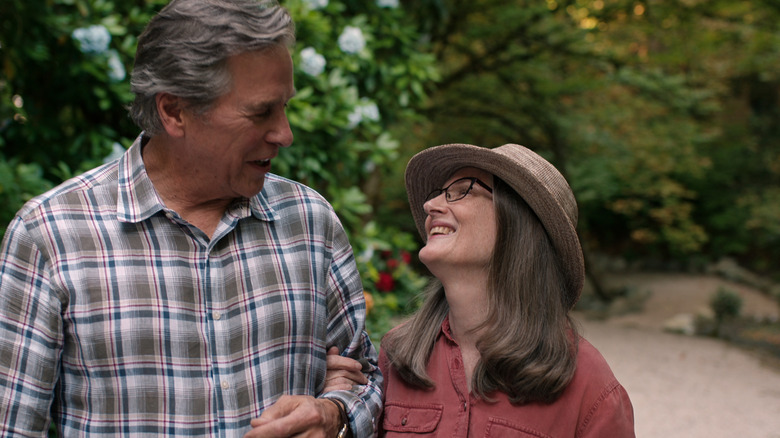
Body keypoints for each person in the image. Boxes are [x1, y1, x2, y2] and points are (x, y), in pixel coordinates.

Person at [0, 0, 381, 436]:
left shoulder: (310, 222)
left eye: (285, 107)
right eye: (261, 112)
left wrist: (335, 416)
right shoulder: (51, 236)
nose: (285, 134)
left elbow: (364, 376)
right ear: (174, 111)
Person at [326, 143, 635, 437]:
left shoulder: (588, 385)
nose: (430, 205)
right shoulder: (397, 355)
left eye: (462, 191)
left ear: (517, 222)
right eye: (439, 194)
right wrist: (339, 412)